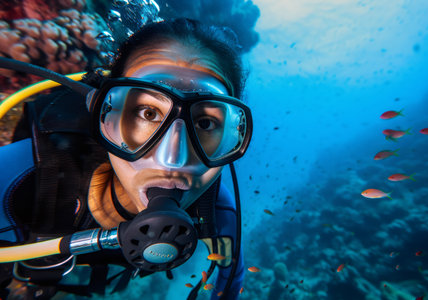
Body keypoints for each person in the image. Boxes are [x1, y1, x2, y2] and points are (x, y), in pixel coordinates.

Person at [0, 18, 253, 300]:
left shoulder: (217, 211)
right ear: (104, 115)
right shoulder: (23, 176)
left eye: (206, 123)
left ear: (232, 136)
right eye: (147, 113)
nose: (173, 160)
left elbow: (230, 282)